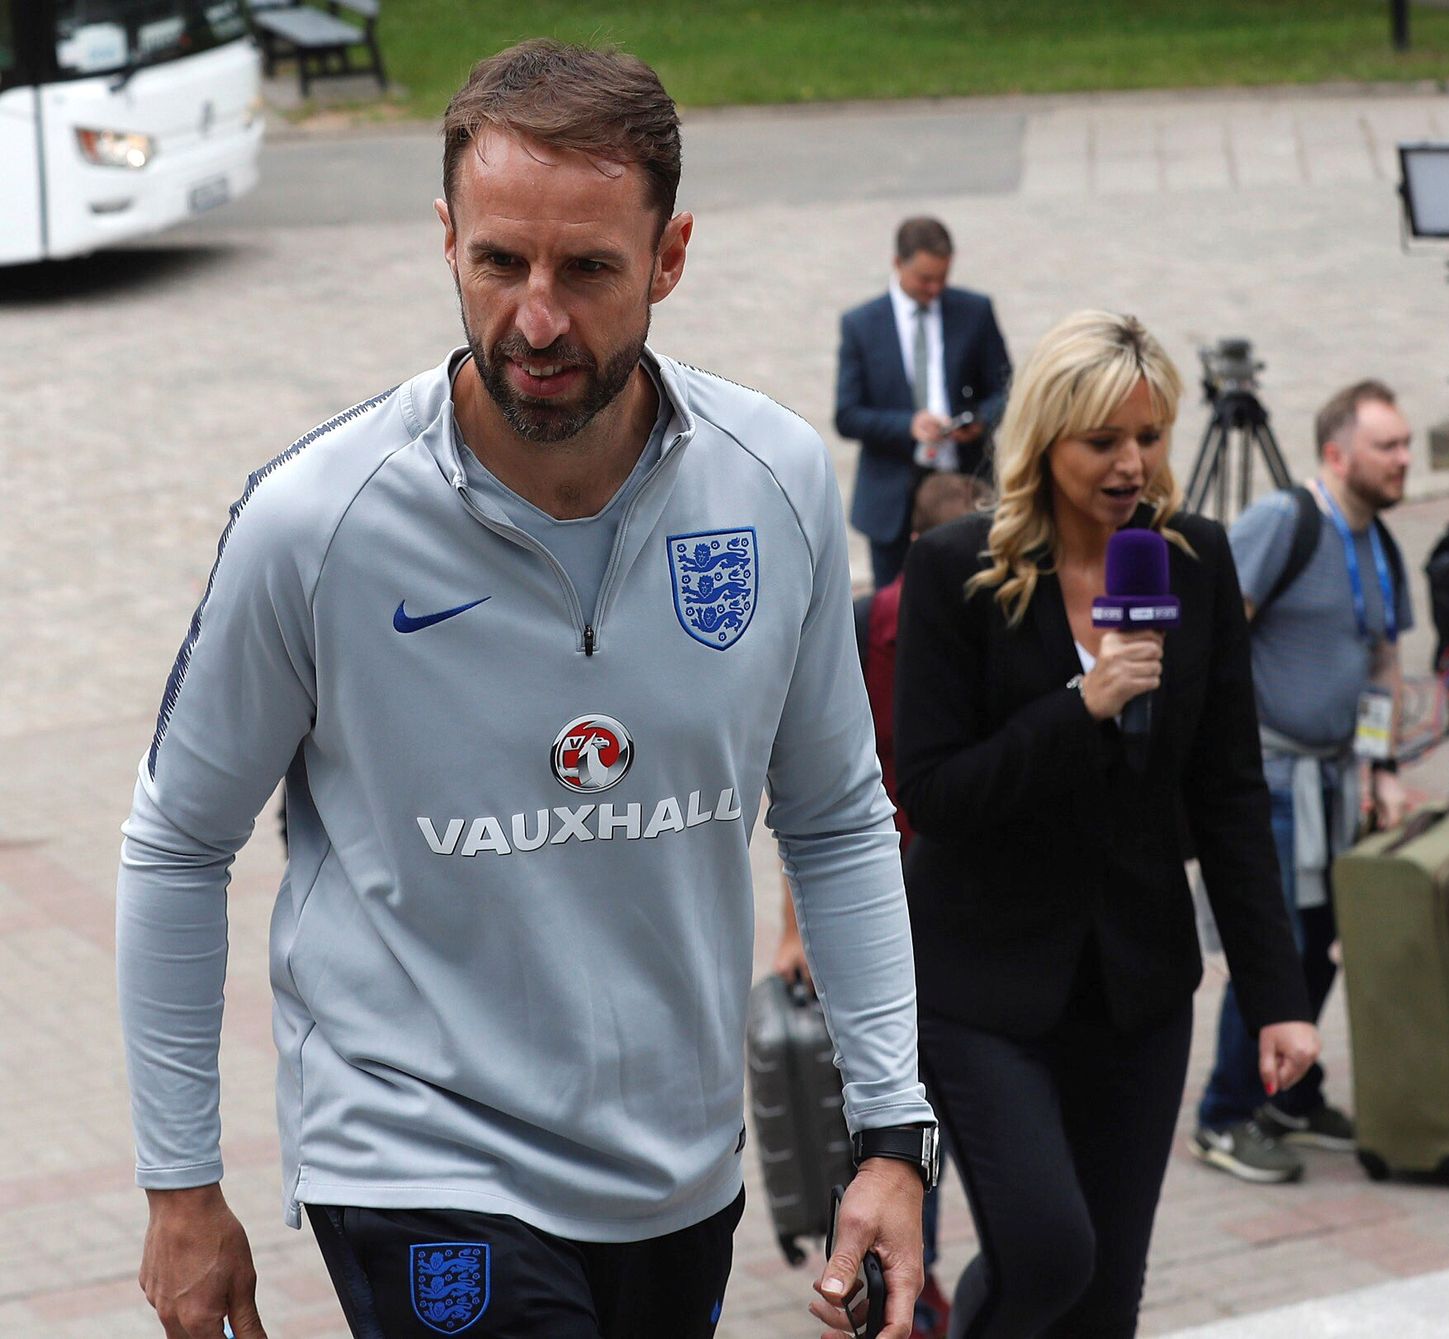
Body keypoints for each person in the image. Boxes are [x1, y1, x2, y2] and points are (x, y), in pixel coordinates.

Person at [116, 39, 937, 1339]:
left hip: (677, 1167)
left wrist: (894, 1128)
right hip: (414, 1149)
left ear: (669, 258)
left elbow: (835, 815)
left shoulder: (771, 481)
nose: (537, 317)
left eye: (588, 269)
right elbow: (176, 842)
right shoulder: (313, 523)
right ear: (447, 238)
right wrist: (180, 1180)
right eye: (500, 261)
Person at [893, 310, 1318, 1339]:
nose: (1132, 464)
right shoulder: (955, 572)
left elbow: (1226, 796)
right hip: (982, 988)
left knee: (1105, 1298)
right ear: (1044, 442)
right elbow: (934, 792)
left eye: (1150, 436)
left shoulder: (1195, 562)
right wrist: (1079, 709)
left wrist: (1277, 996)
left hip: (1135, 989)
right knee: (1047, 1253)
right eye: (1103, 442)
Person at [773, 471, 986, 1339]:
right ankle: (895, 1288)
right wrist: (793, 930)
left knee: (919, 1111)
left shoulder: (994, 628)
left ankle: (915, 1284)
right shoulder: (866, 627)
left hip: (955, 918)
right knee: (882, 1110)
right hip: (871, 913)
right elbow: (814, 801)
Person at [1191, 379, 1414, 1184]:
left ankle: (1290, 1092)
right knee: (1270, 949)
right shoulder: (1284, 523)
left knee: (1321, 945)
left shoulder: (1380, 543)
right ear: (1335, 452)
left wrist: (1381, 765)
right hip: (1273, 784)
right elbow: (1216, 635)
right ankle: (1221, 1115)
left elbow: (1384, 661)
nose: (1404, 459)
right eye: (1387, 445)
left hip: (1334, 784)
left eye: (1405, 443)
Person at [836, 216, 1011, 590]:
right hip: (892, 496)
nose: (935, 288)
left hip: (966, 488)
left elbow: (1005, 388)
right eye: (925, 280)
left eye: (942, 278)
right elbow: (847, 415)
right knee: (892, 612)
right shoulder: (861, 325)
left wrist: (980, 420)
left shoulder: (974, 311)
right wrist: (907, 425)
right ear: (897, 263)